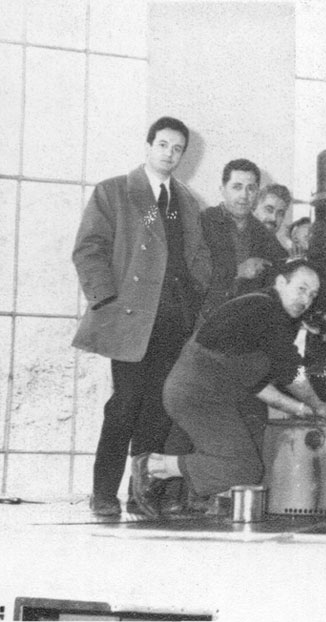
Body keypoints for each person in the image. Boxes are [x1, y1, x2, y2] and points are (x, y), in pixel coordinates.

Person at [71, 116, 211, 516]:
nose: (170, 154)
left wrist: (195, 293)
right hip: (133, 319)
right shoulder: (117, 193)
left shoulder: (185, 202)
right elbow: (90, 248)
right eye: (163, 145)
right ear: (149, 146)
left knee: (157, 409)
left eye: (178, 148)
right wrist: (105, 299)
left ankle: (140, 494)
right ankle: (103, 493)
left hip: (173, 320)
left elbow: (196, 255)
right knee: (126, 404)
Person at [131, 259, 326, 519]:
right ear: (281, 283)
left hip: (205, 394)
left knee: (244, 465)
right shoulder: (265, 309)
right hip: (196, 393)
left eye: (312, 295)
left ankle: (161, 472)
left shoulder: (268, 314)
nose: (306, 300)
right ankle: (152, 466)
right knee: (243, 467)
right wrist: (318, 404)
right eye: (301, 289)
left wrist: (301, 409)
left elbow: (257, 383)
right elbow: (291, 370)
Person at [197, 159, 288, 323]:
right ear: (222, 190)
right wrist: (237, 271)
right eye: (237, 187)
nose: (244, 196)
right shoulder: (203, 222)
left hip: (245, 325)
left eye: (251, 188)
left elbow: (283, 266)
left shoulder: (263, 233)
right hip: (205, 323)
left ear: (257, 193)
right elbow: (191, 272)